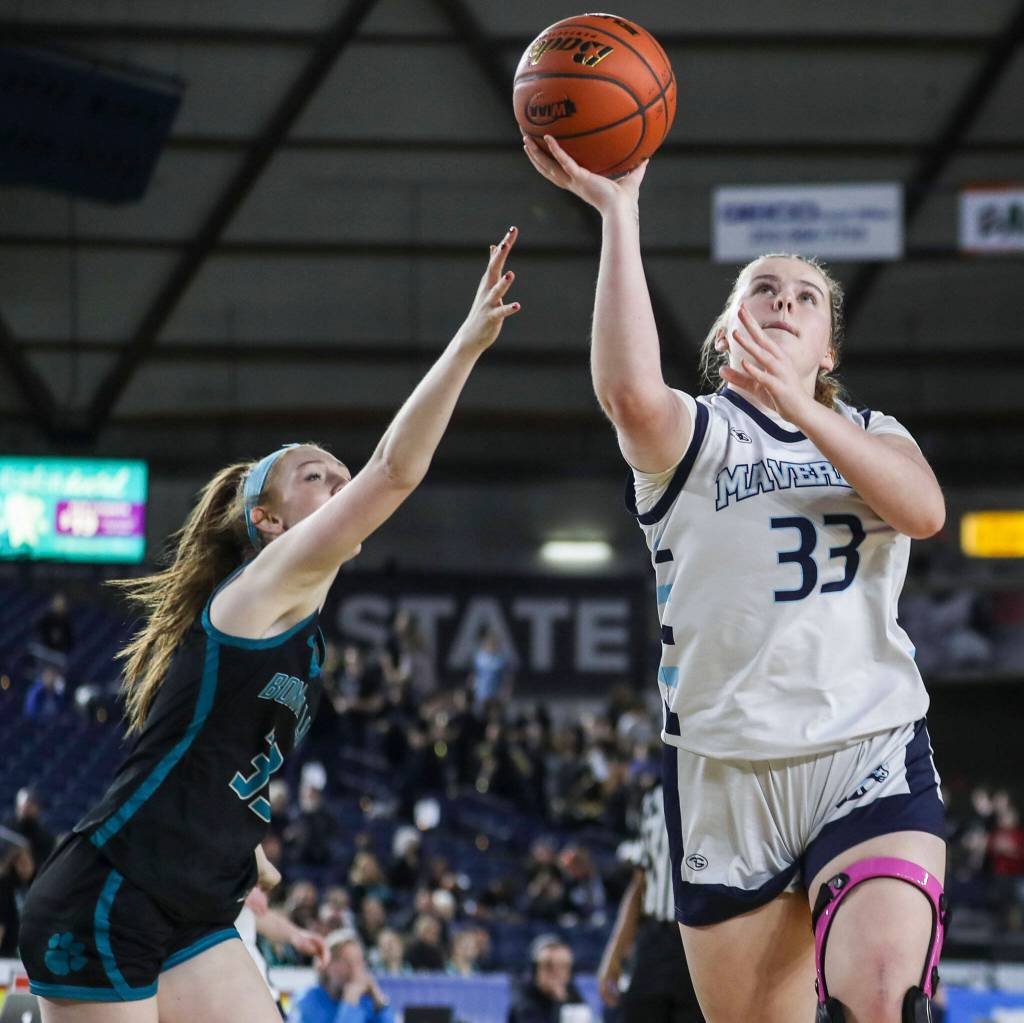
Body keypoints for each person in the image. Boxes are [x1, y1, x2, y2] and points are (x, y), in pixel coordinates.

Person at [16, 228, 521, 1023]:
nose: (340, 482)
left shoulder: (300, 628)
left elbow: (208, 760)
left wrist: (249, 862)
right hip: (108, 892)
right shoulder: (260, 586)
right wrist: (465, 344)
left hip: (194, 908)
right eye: (314, 476)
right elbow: (396, 469)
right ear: (269, 520)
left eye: (338, 472)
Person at [524, 134, 948, 1023]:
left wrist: (802, 408)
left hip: (865, 750)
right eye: (764, 288)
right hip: (725, 770)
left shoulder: (878, 431)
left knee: (883, 999)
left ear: (828, 346)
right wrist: (618, 211)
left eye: (805, 298)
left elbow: (922, 511)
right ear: (727, 331)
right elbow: (629, 392)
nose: (785, 301)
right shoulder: (693, 437)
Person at [598, 783, 703, 1022]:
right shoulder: (656, 798)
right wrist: (613, 954)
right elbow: (640, 882)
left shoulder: (731, 789)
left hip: (706, 940)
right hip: (656, 939)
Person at [286, 930, 393, 1023]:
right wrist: (350, 1003)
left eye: (358, 961)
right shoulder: (307, 1000)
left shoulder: (365, 1000)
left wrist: (379, 1003)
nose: (353, 969)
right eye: (346, 961)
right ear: (327, 965)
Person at [508, 935, 589, 1023]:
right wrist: (558, 1002)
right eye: (549, 966)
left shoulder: (570, 991)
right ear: (535, 969)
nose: (557, 973)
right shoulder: (524, 993)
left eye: (563, 966)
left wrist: (563, 1000)